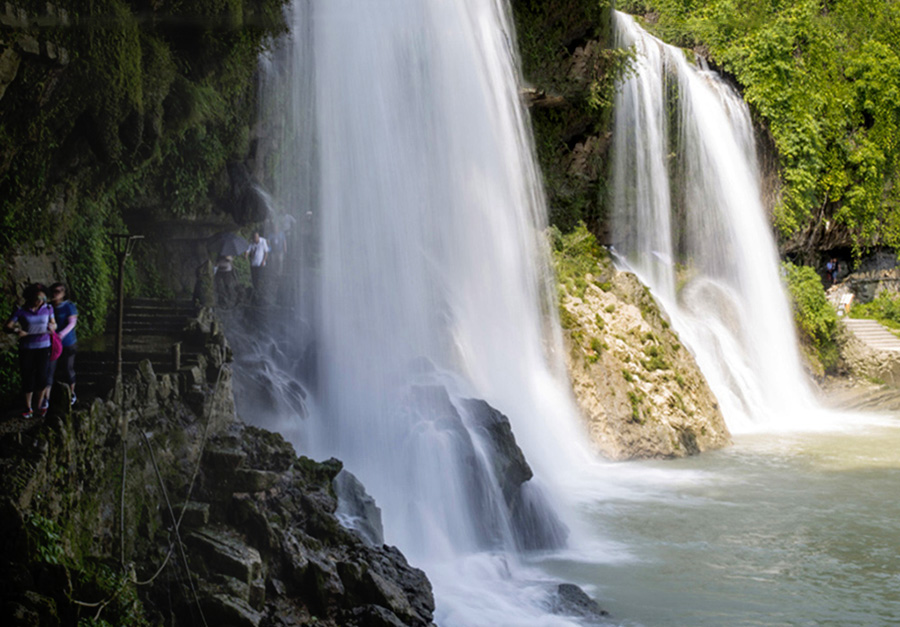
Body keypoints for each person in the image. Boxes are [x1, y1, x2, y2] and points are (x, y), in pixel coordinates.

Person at [4, 283, 56, 418]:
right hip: (27, 348)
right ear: (31, 297)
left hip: (44, 347)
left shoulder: (48, 308)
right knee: (27, 376)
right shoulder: (21, 311)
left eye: (43, 299)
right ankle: (28, 407)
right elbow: (7, 326)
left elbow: (53, 323)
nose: (40, 301)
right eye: (38, 298)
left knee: (42, 376)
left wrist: (52, 326)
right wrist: (17, 330)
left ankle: (39, 406)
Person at [47, 282, 78, 406]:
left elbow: (72, 323)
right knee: (49, 370)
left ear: (64, 293)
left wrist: (61, 334)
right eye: (53, 291)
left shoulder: (69, 306)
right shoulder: (48, 307)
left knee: (67, 368)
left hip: (67, 342)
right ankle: (46, 399)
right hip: (50, 343)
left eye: (58, 291)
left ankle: (71, 394)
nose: (55, 294)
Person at [244, 231, 270, 295]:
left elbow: (266, 252)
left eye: (256, 237)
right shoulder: (252, 243)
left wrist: (264, 260)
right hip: (253, 264)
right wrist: (246, 255)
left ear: (258, 237)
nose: (255, 239)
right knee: (254, 277)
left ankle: (260, 291)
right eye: (254, 238)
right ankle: (255, 289)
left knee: (259, 277)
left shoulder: (263, 241)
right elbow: (248, 250)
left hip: (261, 264)